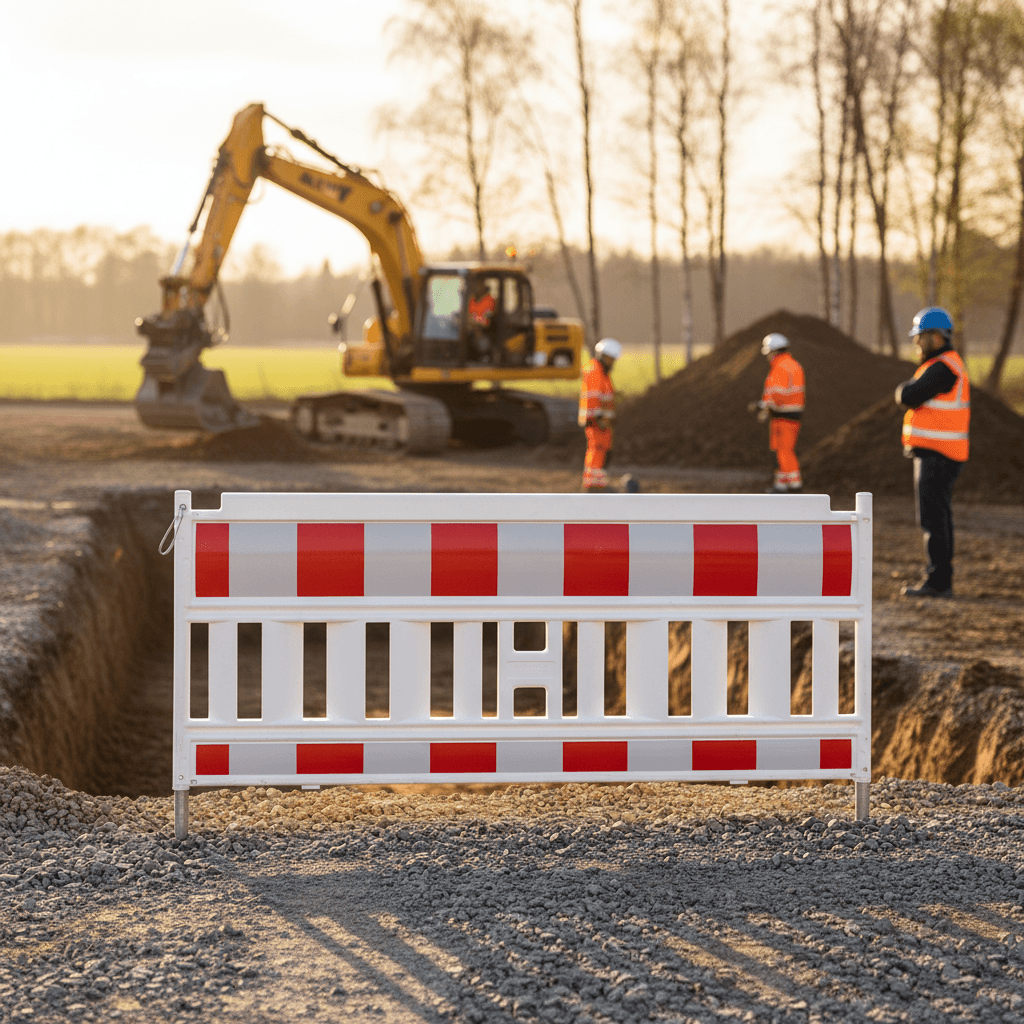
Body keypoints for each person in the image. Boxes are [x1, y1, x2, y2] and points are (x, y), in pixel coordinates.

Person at [895, 306, 970, 599]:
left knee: (933, 518)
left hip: (938, 452)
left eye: (920, 337)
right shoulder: (944, 365)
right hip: (942, 452)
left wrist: (903, 390)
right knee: (939, 516)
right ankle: (941, 578)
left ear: (936, 338)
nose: (916, 342)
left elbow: (909, 396)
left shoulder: (943, 367)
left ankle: (938, 581)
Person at [752, 333, 805, 493]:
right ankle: (781, 484)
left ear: (773, 351)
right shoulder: (795, 365)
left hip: (783, 415)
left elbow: (777, 394)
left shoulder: (780, 367)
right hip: (792, 414)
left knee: (784, 451)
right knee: (783, 450)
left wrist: (762, 405)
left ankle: (795, 485)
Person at [579, 337, 620, 492]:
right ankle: (591, 484)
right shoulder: (595, 371)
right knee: (596, 449)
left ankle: (598, 481)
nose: (613, 362)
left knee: (603, 449)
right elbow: (593, 396)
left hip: (603, 421)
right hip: (596, 420)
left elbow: (605, 395)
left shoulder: (603, 372)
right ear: (605, 356)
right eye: (612, 359)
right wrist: (597, 417)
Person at [467, 277, 497, 363]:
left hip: (484, 332)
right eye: (475, 284)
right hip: (471, 328)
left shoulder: (490, 300)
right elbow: (467, 315)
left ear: (483, 285)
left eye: (478, 284)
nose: (476, 287)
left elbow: (486, 321)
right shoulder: (472, 299)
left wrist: (474, 322)